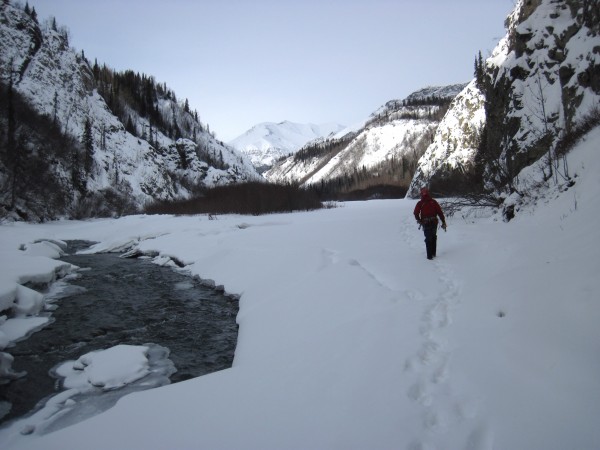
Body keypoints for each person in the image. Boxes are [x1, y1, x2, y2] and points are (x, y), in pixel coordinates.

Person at [413, 187, 447, 260]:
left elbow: (416, 213)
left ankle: (429, 256)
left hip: (425, 223)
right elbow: (440, 212)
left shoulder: (420, 203)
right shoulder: (433, 202)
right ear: (428, 193)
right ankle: (433, 253)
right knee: (433, 237)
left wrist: (419, 220)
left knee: (428, 238)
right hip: (434, 222)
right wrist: (443, 221)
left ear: (421, 194)